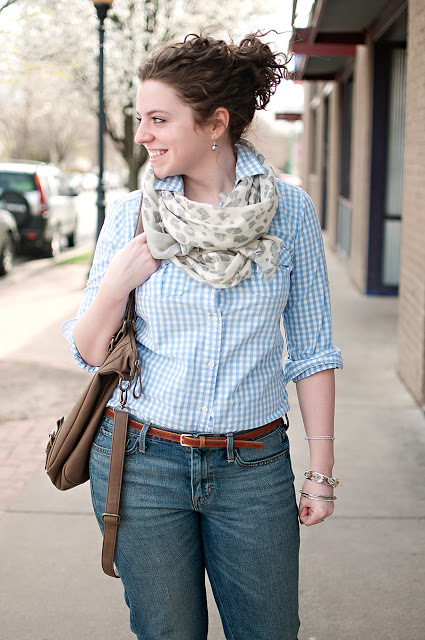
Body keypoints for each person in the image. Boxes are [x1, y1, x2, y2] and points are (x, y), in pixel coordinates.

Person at [62, 31, 342, 640]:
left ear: (215, 123)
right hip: (142, 461)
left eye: (159, 119)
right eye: (141, 118)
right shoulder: (130, 217)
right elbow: (88, 351)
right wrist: (115, 286)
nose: (143, 135)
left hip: (253, 466)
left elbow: (314, 349)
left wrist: (320, 469)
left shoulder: (291, 214)